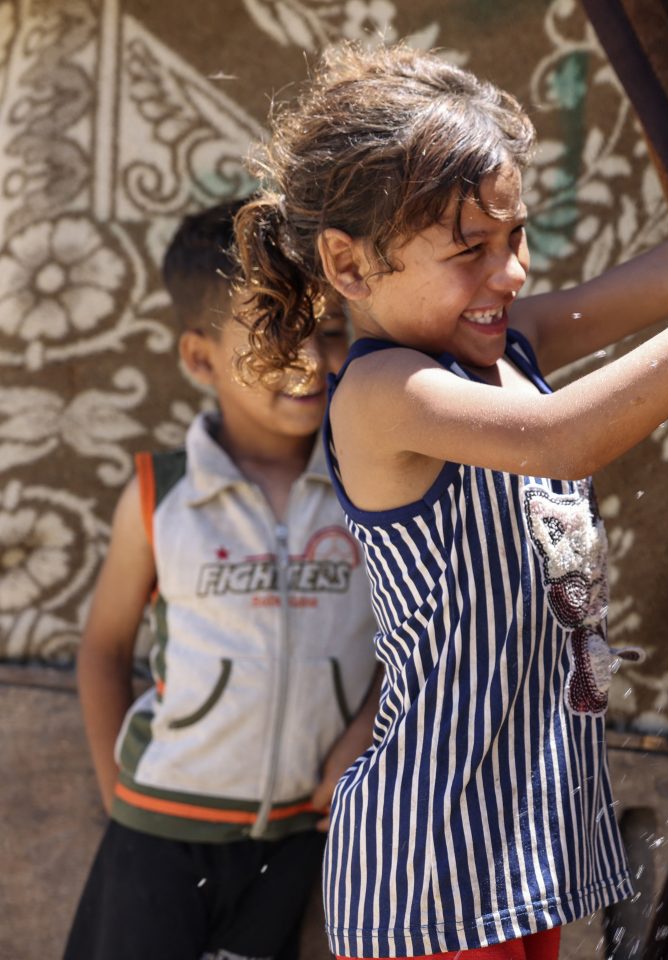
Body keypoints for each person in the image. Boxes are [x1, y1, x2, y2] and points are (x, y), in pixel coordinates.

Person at [231, 42, 668, 960]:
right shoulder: (382, 396)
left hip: (515, 850)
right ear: (349, 267)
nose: (509, 276)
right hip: (427, 857)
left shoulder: (513, 345)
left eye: (514, 240)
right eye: (471, 251)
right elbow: (567, 437)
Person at [66, 200, 382, 960]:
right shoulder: (158, 498)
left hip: (297, 838)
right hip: (159, 837)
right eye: (277, 336)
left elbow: (414, 641)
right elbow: (104, 648)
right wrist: (121, 797)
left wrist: (362, 740)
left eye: (329, 330)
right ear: (202, 359)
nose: (311, 359)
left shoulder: (372, 495)